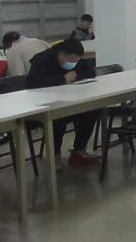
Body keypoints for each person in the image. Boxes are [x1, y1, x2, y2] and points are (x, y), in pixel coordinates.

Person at [26, 40, 101, 168]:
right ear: (62, 55)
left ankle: (79, 150)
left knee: (92, 110)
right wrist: (63, 79)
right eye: (71, 60)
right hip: (44, 104)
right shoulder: (42, 60)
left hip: (69, 99)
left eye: (76, 61)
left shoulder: (75, 57)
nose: (73, 63)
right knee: (59, 116)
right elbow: (33, 83)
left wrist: (75, 76)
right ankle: (54, 154)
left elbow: (90, 72)